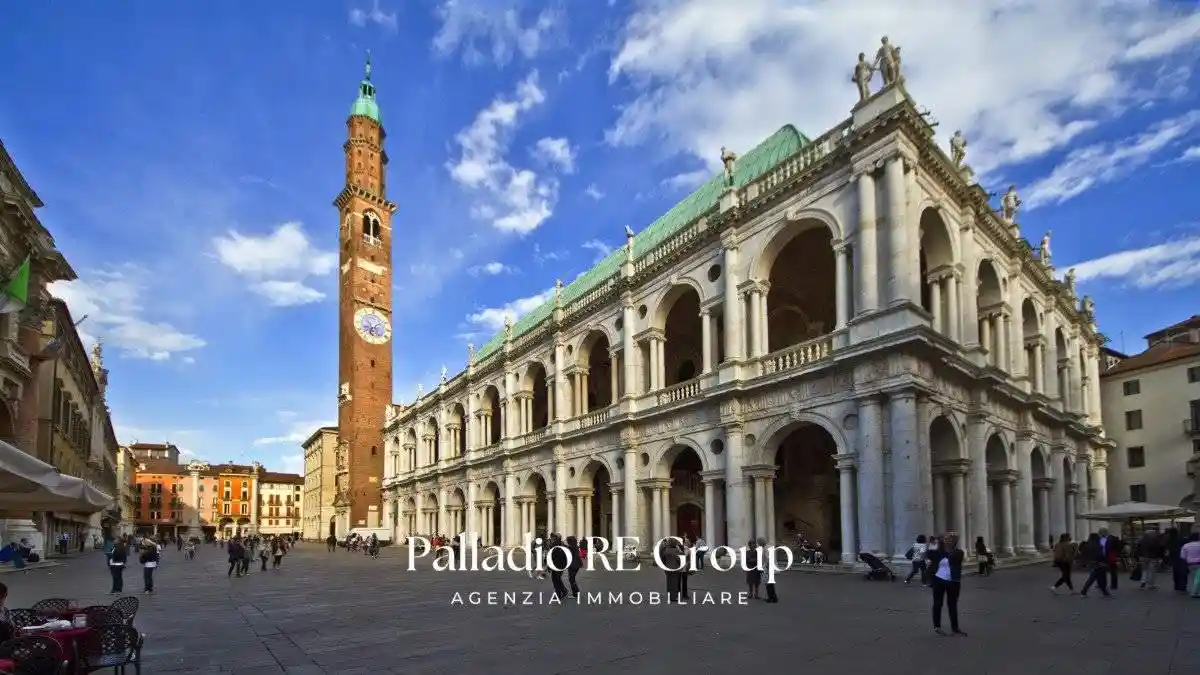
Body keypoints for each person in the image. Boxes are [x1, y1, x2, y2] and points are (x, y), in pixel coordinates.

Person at [927, 533, 966, 636]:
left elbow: (952, 559)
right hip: (938, 580)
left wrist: (943, 548)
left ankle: (955, 628)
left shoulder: (959, 552)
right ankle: (937, 626)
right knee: (937, 603)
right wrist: (932, 544)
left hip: (953, 582)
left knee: (952, 605)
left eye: (950, 539)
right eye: (946, 539)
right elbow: (929, 555)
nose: (948, 540)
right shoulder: (939, 552)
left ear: (955, 541)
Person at [1079, 533, 1113, 598]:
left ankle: (1104, 592)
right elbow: (1101, 555)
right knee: (1094, 578)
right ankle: (1083, 591)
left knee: (1099, 577)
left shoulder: (1087, 545)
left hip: (1092, 563)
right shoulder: (1099, 546)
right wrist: (1105, 562)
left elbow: (1083, 554)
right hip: (1099, 563)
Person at [1182, 532, 1200, 598]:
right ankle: (1195, 592)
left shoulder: (1186, 545)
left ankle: (1195, 591)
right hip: (1198, 563)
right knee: (1198, 578)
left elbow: (1183, 556)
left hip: (1190, 563)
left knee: (1193, 577)